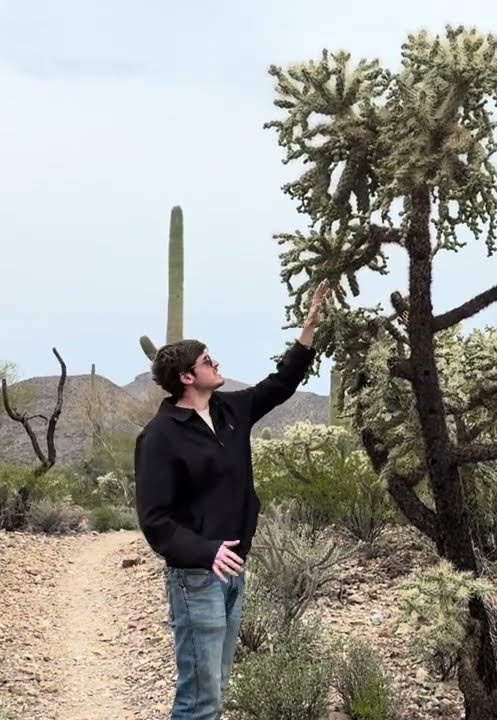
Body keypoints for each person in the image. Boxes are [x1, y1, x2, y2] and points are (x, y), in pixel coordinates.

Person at [133, 280, 329, 720]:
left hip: (233, 570)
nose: (215, 362)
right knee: (199, 699)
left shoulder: (229, 411)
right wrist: (206, 551)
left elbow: (280, 383)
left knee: (217, 688)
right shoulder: (159, 438)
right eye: (206, 360)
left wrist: (309, 328)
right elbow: (155, 519)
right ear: (187, 378)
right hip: (196, 577)